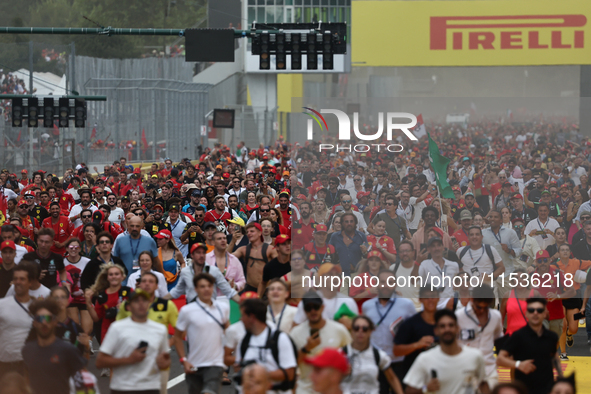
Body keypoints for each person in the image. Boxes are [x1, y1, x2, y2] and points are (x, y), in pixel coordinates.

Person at [96, 289, 171, 394]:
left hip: (150, 387)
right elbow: (100, 362)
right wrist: (129, 360)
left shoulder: (160, 329)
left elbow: (165, 359)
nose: (141, 304)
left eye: (144, 300)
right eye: (136, 301)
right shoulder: (117, 328)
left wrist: (164, 363)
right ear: (128, 307)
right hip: (123, 387)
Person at [117, 272, 179, 394]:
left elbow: (180, 330)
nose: (147, 284)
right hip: (134, 358)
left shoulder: (167, 305)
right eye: (144, 281)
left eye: (151, 282)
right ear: (139, 284)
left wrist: (168, 343)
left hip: (158, 360)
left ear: (157, 286)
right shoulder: (127, 305)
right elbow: (118, 329)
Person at [403, 309, 489, 394]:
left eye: (451, 325)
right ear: (436, 331)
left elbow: (483, 384)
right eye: (442, 326)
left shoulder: (475, 356)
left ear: (457, 328)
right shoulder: (424, 358)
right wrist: (426, 388)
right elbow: (409, 391)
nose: (447, 329)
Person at [175, 272, 229, 394]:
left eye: (209, 286)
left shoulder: (222, 308)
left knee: (209, 392)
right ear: (196, 289)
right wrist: (183, 360)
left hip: (215, 364)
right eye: (202, 286)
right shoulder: (187, 311)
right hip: (194, 364)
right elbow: (178, 337)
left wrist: (227, 355)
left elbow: (229, 332)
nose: (206, 289)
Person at [361, 270, 415, 389]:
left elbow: (413, 332)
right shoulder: (367, 306)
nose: (386, 285)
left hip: (400, 362)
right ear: (377, 283)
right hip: (376, 363)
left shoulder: (407, 305)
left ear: (395, 284)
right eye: (383, 282)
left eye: (390, 282)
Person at [21, 298, 87, 394]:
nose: (44, 322)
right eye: (40, 319)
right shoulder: (27, 350)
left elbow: (85, 383)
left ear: (55, 321)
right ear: (34, 323)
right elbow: (26, 381)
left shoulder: (68, 350)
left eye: (48, 318)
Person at [497, 297, 563, 394]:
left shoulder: (551, 337)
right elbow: (500, 359)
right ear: (526, 313)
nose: (535, 313)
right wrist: (518, 365)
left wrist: (561, 377)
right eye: (531, 310)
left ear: (545, 313)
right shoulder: (518, 336)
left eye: (539, 310)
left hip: (546, 387)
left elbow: (554, 357)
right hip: (523, 388)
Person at [290, 291, 351, 394]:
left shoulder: (339, 330)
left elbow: (351, 358)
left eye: (316, 307)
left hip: (330, 389)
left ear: (322, 307)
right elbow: (290, 365)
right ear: (304, 311)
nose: (313, 311)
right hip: (304, 390)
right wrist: (306, 349)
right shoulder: (295, 333)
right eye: (308, 308)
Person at [236, 298, 297, 393]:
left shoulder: (279, 339)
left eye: (243, 315)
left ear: (252, 317)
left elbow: (289, 374)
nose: (241, 319)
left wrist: (260, 375)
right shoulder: (244, 341)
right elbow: (238, 368)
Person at [456, 285, 503, 389]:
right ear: (472, 299)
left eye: (486, 307)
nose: (482, 310)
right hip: (464, 370)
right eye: (478, 307)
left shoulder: (496, 316)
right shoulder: (458, 316)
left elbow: (499, 340)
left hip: (489, 369)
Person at [341, 315, 403, 394]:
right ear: (351, 331)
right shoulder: (340, 353)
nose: (360, 331)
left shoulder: (379, 355)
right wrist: (340, 373)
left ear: (370, 332)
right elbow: (328, 380)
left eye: (365, 329)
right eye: (356, 328)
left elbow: (392, 378)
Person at [168, 243, 240, 304]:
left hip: (210, 310)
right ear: (192, 255)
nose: (201, 255)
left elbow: (228, 291)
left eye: (203, 253)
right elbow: (176, 292)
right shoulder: (185, 272)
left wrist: (243, 303)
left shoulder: (214, 271)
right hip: (192, 311)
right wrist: (161, 299)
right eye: (198, 252)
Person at [393, 287, 439, 381]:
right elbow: (396, 350)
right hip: (415, 377)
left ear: (438, 298)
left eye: (433, 297)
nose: (430, 300)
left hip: (441, 374)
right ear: (420, 299)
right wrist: (417, 345)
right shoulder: (410, 323)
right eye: (426, 297)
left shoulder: (446, 322)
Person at [0, 263, 34, 380]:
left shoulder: (37, 308)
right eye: (15, 279)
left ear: (30, 283)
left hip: (29, 366)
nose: (18, 282)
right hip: (5, 365)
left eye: (22, 279)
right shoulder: (2, 305)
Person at [233, 223, 278, 293]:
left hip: (267, 289)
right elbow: (227, 258)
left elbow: (281, 265)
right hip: (250, 289)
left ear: (260, 233)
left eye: (252, 231)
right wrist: (233, 241)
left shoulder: (270, 249)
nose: (249, 233)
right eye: (247, 232)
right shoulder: (243, 250)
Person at [418, 237, 459, 308]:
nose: (436, 248)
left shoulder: (454, 265)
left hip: (449, 304)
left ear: (443, 247)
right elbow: (414, 280)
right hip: (431, 304)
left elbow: (457, 285)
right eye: (433, 246)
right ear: (428, 249)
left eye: (439, 245)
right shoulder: (424, 265)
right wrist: (417, 262)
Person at [62, 238, 92, 334]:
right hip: (70, 298)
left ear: (80, 249)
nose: (74, 249)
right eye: (71, 247)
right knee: (74, 327)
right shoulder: (62, 263)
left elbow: (92, 280)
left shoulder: (87, 262)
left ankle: (87, 346)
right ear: (66, 249)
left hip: (85, 298)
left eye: (76, 247)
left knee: (86, 330)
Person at [328, 212, 368, 277]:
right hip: (339, 275)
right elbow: (328, 254)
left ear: (355, 223)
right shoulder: (335, 236)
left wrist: (365, 252)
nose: (349, 223)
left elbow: (368, 255)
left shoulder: (361, 236)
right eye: (346, 221)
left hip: (356, 274)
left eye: (351, 221)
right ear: (342, 223)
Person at [206, 231, 245, 296]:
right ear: (213, 242)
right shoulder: (206, 259)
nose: (223, 240)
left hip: (230, 298)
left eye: (224, 238)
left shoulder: (234, 260)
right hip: (210, 298)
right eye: (219, 239)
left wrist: (235, 286)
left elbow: (242, 281)